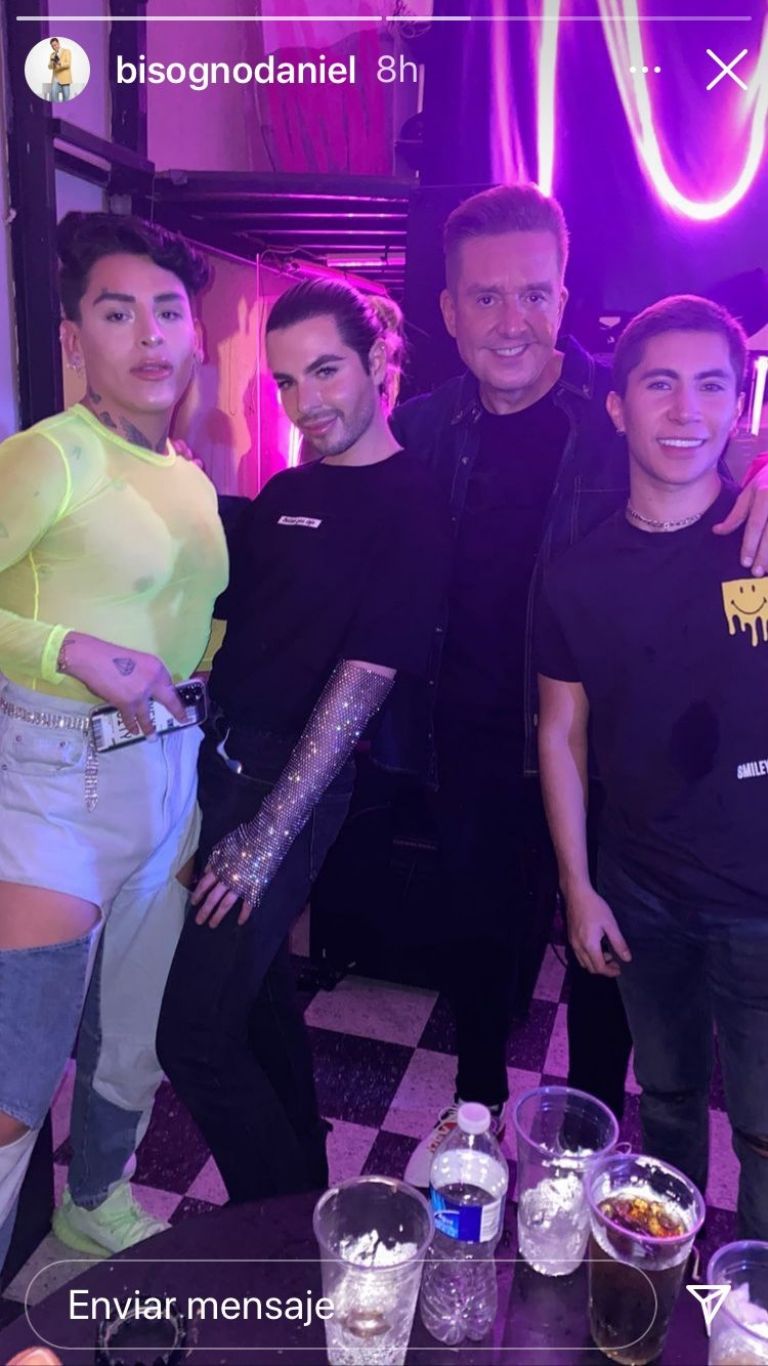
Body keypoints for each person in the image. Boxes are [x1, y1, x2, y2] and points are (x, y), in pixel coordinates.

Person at [382, 184, 768, 1187]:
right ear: (450, 309)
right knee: (474, 936)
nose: (512, 321)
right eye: (487, 297)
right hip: (466, 735)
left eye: (535, 294)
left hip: (610, 748)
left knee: (607, 964)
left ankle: (586, 1139)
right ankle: (474, 1110)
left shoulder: (621, 403)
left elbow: (718, 445)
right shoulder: (418, 430)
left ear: (563, 297)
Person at [156, 279, 449, 1201]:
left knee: (193, 1037)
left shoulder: (413, 500)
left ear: (377, 362)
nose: (305, 401)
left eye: (325, 371)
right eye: (285, 381)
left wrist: (266, 833)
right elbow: (233, 629)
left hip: (290, 781)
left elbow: (364, 678)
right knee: (255, 1002)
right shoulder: (287, 489)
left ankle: (276, 1234)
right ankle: (302, 1190)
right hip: (217, 764)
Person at [0, 212, 228, 1268]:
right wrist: (71, 648)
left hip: (168, 782)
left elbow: (185, 617)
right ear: (71, 337)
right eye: (116, 311)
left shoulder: (187, 471)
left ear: (194, 334)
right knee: (15, 1075)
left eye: (168, 312)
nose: (149, 335)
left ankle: (93, 1202)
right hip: (57, 783)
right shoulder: (50, 454)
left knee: (129, 1045)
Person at [536, 295, 768, 1238]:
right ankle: (672, 1278)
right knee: (666, 1096)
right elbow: (562, 732)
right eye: (659, 384)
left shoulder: (761, 536)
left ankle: (754, 1297)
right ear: (617, 406)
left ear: (740, 406)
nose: (685, 411)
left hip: (760, 899)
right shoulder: (577, 572)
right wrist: (578, 886)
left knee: (764, 1128)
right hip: (642, 888)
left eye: (711, 386)